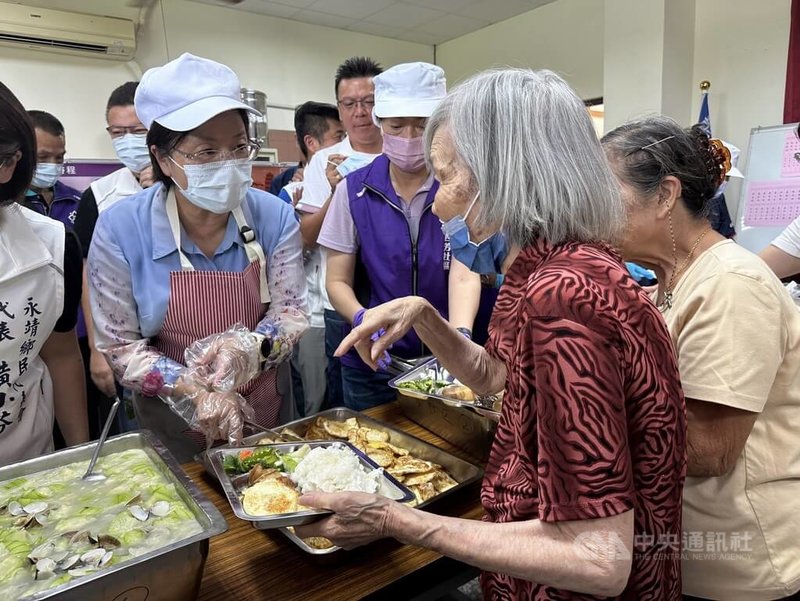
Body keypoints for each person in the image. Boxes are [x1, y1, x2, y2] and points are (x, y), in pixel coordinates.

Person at [297, 69, 687, 600]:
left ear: (505, 177)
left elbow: (599, 559)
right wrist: (424, 314)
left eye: (447, 176)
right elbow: (494, 376)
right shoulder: (543, 268)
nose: (436, 205)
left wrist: (397, 520)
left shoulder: (562, 299)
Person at [602, 116, 800, 601]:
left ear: (666, 195)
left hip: (736, 561)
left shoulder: (733, 285)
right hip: (678, 546)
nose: (591, 211)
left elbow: (710, 450)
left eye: (604, 193)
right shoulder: (665, 283)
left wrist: (579, 415)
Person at [87, 53, 308, 462]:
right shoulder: (121, 228)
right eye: (206, 152)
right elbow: (119, 348)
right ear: (164, 158)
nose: (228, 162)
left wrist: (250, 348)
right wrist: (194, 388)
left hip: (264, 400)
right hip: (172, 413)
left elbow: (291, 311)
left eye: (239, 147)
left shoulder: (273, 214)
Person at [319, 62, 453, 409]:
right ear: (381, 123)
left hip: (448, 359)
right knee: (373, 449)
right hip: (374, 359)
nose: (409, 138)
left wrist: (461, 339)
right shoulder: (354, 190)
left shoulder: (458, 187)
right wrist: (362, 318)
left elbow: (470, 274)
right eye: (397, 126)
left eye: (421, 127)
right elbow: (336, 280)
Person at [0, 82, 89, 464]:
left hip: (26, 459)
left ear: (9, 164)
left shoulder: (53, 243)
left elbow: (62, 353)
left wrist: (83, 454)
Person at [294, 57, 384, 409]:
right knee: (344, 401)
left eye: (370, 102)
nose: (360, 112)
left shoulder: (404, 154)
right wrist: (337, 193)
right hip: (341, 300)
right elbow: (307, 237)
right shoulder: (326, 161)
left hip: (392, 293)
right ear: (340, 109)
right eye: (350, 104)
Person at [73, 81, 155, 438]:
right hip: (126, 343)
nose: (128, 140)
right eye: (118, 132)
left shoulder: (189, 185)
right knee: (141, 437)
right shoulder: (100, 195)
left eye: (137, 131)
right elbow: (89, 275)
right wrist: (95, 351)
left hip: (186, 334)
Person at [276, 102, 344, 417]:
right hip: (314, 313)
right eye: (339, 136)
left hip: (339, 309)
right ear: (312, 144)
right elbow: (303, 242)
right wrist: (335, 193)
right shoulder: (288, 194)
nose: (346, 144)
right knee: (317, 404)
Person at [20, 110, 82, 226]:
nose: (53, 164)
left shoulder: (76, 200)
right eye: (42, 157)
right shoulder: (7, 205)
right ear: (19, 153)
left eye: (59, 157)